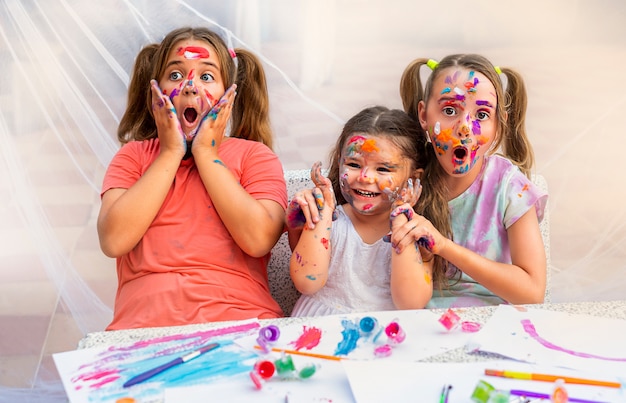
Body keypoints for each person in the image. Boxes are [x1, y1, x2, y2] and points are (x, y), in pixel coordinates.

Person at [97, 27, 287, 330]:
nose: (189, 86)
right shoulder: (133, 156)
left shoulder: (255, 156)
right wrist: (171, 152)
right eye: (175, 75)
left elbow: (259, 239)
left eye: (206, 77)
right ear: (155, 91)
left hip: (243, 322)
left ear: (229, 95)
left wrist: (206, 154)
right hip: (143, 328)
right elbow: (113, 240)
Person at [399, 53, 548, 308]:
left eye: (481, 115)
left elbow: (533, 292)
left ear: (499, 125)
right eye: (449, 110)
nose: (465, 127)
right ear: (424, 115)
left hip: (493, 325)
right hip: (421, 324)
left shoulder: (510, 187)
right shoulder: (407, 179)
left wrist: (444, 246)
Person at [285, 105, 450, 317]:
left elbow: (410, 302)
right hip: (319, 331)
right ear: (339, 163)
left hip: (385, 336)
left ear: (414, 178)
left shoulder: (417, 232)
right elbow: (306, 282)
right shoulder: (329, 220)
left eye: (382, 169)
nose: (364, 177)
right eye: (353, 164)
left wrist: (401, 223)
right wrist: (322, 216)